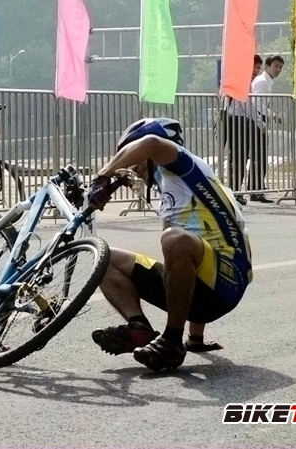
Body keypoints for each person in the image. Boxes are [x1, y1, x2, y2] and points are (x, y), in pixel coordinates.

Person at [86, 118, 253, 372]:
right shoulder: (172, 189)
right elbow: (188, 263)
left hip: (228, 281)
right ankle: (139, 328)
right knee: (103, 258)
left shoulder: (185, 165)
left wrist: (102, 176)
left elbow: (151, 143)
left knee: (174, 239)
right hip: (205, 282)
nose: (133, 166)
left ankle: (171, 343)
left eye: (134, 156)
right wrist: (196, 338)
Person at [222, 55, 263, 205]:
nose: (256, 71)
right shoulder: (243, 82)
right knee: (239, 159)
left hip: (232, 120)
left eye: (258, 68)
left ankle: (234, 191)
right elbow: (249, 107)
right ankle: (235, 192)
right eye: (254, 66)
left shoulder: (233, 79)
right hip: (238, 121)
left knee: (235, 159)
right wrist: (260, 124)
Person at [248, 55, 284, 203]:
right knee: (259, 157)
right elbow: (256, 104)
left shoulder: (266, 82)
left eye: (280, 67)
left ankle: (256, 189)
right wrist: (272, 116)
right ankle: (256, 190)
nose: (278, 70)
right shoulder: (262, 82)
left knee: (259, 156)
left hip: (259, 119)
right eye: (275, 66)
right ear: (268, 66)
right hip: (256, 120)